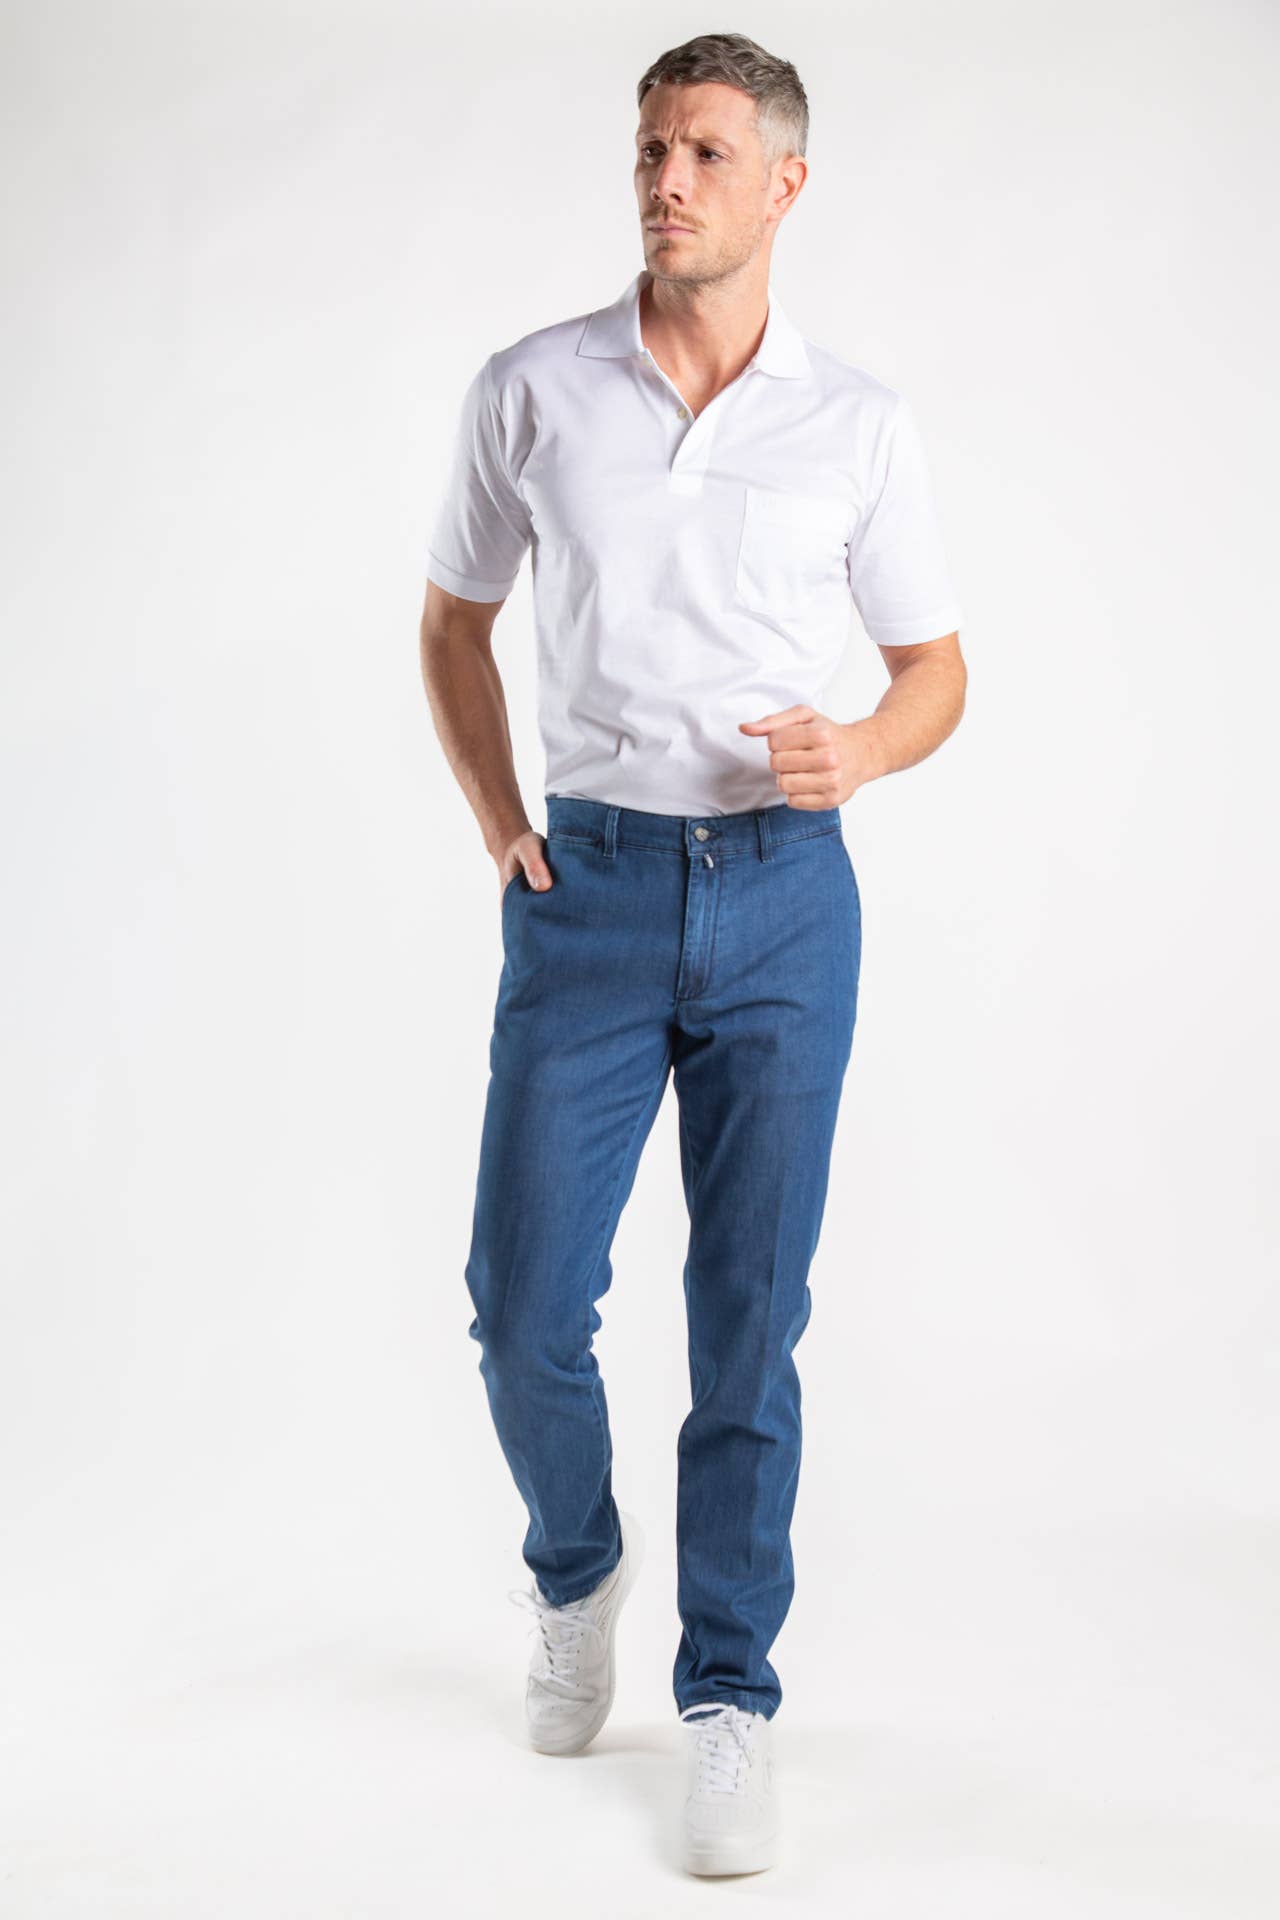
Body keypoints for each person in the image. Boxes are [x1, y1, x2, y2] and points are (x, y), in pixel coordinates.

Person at [418, 31, 966, 1878]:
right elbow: (452, 623)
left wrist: (861, 749)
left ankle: (731, 1695)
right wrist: (500, 818)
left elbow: (936, 670)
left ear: (784, 184)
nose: (667, 179)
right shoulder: (534, 388)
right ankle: (577, 1571)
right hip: (588, 892)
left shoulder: (857, 421)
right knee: (519, 1303)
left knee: (748, 1322)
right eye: (653, 147)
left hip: (788, 898)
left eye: (708, 153)